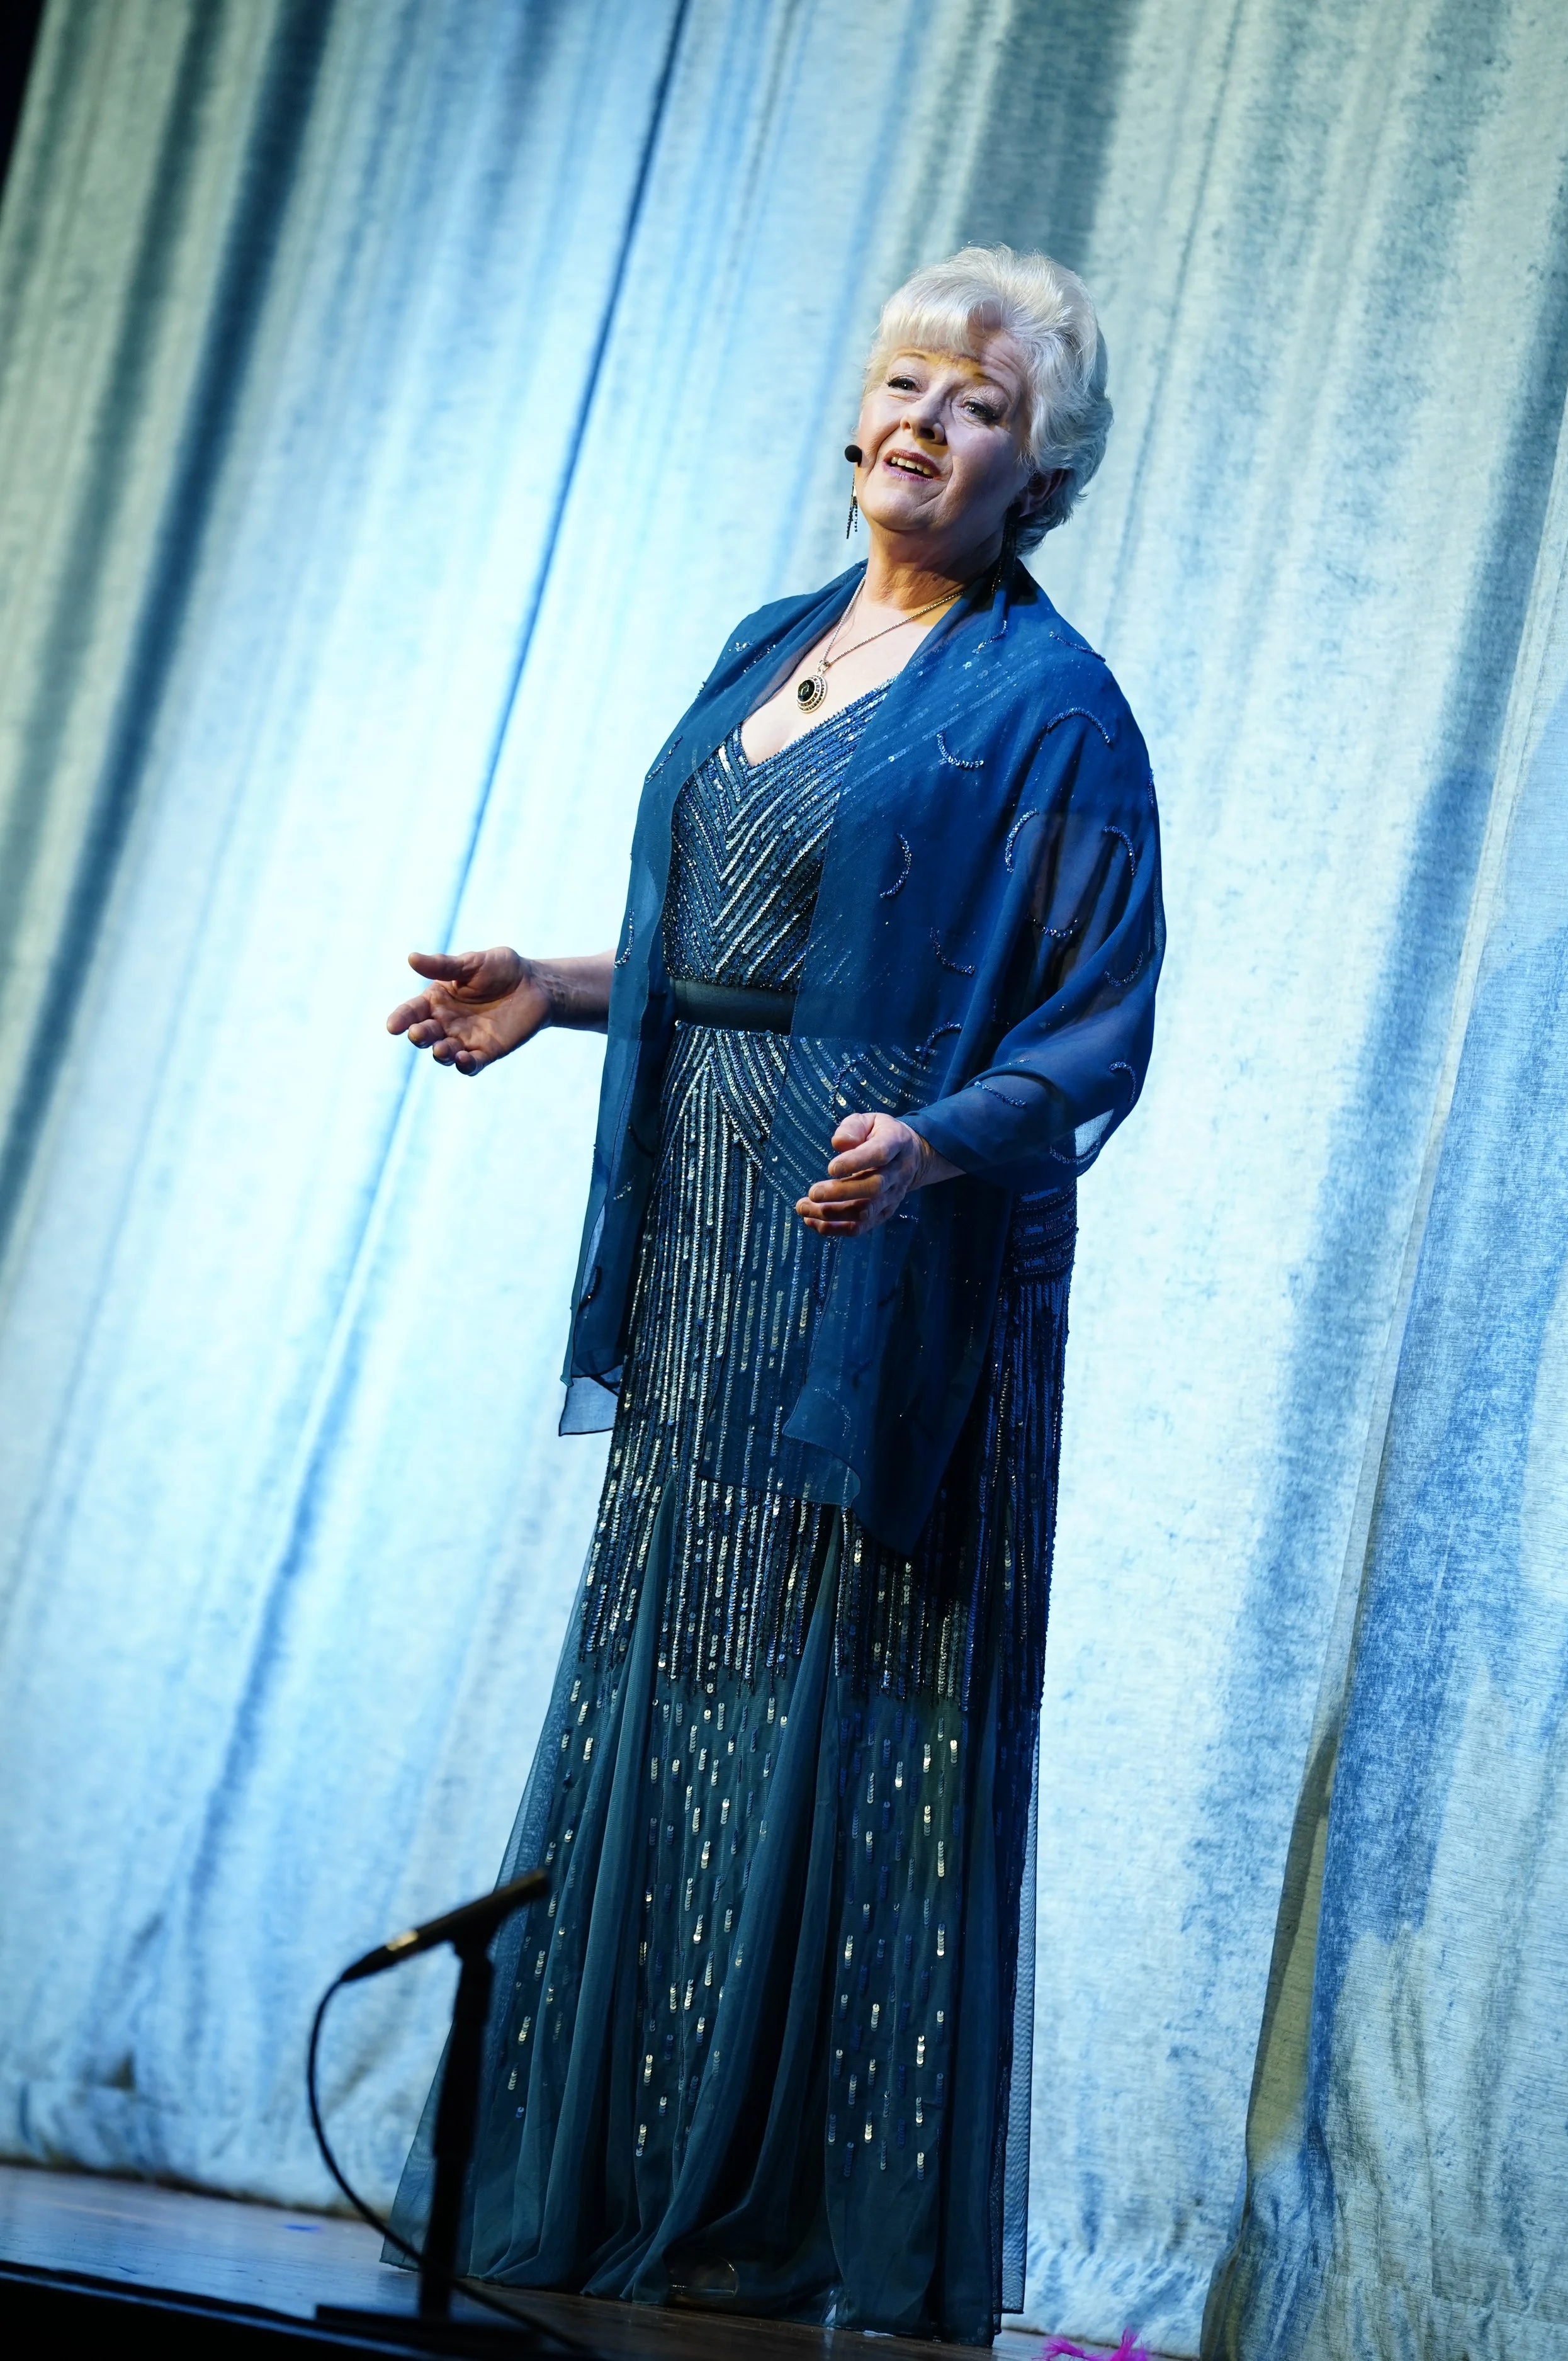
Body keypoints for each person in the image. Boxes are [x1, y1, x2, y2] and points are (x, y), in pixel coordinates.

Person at [384, 244, 1162, 2348]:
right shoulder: (768, 639)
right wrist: (553, 988)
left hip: (879, 1260)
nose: (927, 416)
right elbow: (747, 953)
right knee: (681, 1685)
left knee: (843, 1711)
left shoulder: (1048, 706)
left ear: (1038, 470)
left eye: (981, 402)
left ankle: (785, 2200)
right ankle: (617, 2158)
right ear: (854, 418)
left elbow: (1095, 1024)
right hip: (711, 1233)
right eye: (906, 378)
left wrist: (930, 1142)